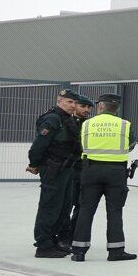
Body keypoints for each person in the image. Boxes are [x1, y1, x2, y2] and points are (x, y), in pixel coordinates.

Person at [70, 93, 137, 263]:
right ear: (117, 108)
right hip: (116, 172)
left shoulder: (87, 124)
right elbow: (131, 145)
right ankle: (116, 251)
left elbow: (82, 144)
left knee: (86, 209)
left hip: (90, 170)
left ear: (100, 106)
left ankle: (79, 251)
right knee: (114, 211)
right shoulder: (125, 124)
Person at [27, 87, 89, 257]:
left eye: (75, 102)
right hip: (53, 169)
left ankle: (53, 240)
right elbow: (38, 146)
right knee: (49, 206)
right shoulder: (53, 119)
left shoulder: (67, 119)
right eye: (69, 102)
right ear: (59, 101)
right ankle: (43, 245)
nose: (73, 105)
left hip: (66, 169)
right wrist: (34, 164)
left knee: (63, 207)